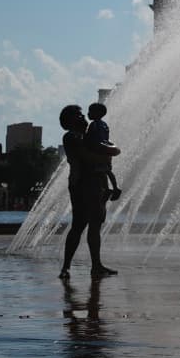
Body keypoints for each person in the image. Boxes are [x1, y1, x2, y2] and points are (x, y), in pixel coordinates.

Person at [58, 104, 121, 279]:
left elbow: (103, 154)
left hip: (96, 183)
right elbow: (92, 156)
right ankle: (71, 267)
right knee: (80, 225)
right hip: (84, 184)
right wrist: (113, 151)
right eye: (78, 115)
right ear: (69, 121)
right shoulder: (71, 137)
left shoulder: (87, 137)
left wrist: (110, 152)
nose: (83, 117)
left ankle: (94, 265)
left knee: (93, 225)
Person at [86, 102, 121, 201]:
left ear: (97, 113)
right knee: (106, 171)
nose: (88, 114)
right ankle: (111, 188)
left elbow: (91, 138)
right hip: (106, 150)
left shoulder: (94, 124)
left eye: (90, 112)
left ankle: (111, 189)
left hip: (99, 151)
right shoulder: (104, 124)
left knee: (103, 170)